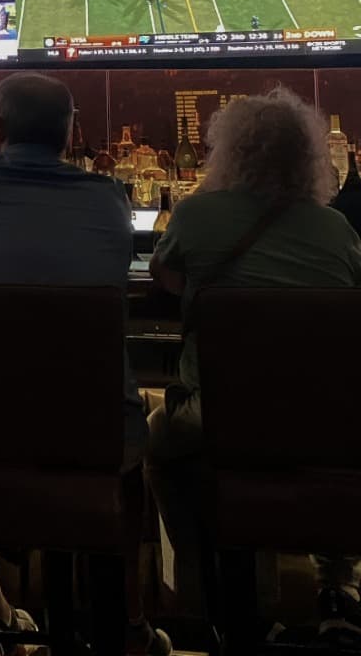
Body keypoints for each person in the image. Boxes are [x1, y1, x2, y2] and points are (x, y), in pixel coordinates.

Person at [0, 72, 171, 656]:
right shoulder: (111, 198)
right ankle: (126, 621)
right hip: (94, 440)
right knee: (132, 441)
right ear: (71, 134)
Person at [148, 88, 361, 647]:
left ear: (229, 153)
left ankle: (204, 591)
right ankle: (337, 588)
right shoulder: (335, 229)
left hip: (218, 417)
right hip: (326, 423)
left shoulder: (195, 214)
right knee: (330, 438)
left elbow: (167, 280)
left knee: (151, 444)